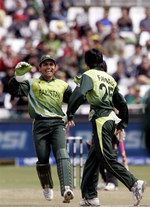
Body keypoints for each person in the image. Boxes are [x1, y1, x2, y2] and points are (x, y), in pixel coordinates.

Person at [66, 48, 146, 206]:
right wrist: (122, 122)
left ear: (86, 63)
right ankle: (90, 197)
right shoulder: (109, 78)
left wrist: (70, 113)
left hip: (101, 120)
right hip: (109, 119)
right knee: (92, 160)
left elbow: (80, 94)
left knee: (106, 158)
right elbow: (121, 102)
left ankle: (134, 183)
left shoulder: (88, 75)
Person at [8, 55, 74, 203]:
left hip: (57, 124)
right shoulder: (32, 83)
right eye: (45, 65)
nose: (48, 67)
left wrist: (81, 91)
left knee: (62, 153)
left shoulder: (62, 85)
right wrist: (18, 76)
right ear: (40, 68)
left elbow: (74, 100)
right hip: (40, 125)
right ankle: (47, 186)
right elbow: (15, 91)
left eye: (51, 64)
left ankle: (66, 189)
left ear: (55, 67)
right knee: (43, 160)